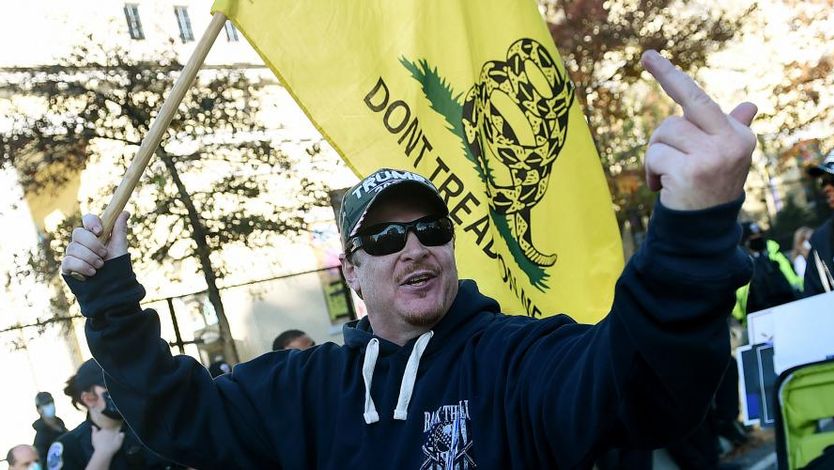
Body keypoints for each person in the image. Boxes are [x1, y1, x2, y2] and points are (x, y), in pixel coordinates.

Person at [60, 51, 758, 468]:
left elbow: (639, 388)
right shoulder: (305, 389)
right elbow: (183, 419)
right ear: (352, 272)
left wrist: (690, 231)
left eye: (429, 228)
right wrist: (111, 299)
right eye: (387, 239)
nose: (415, 247)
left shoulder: (517, 360)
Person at [46, 359, 184, 470]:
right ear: (89, 398)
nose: (123, 390)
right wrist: (102, 455)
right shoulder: (69, 447)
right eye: (111, 385)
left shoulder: (153, 428)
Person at [732, 221, 802, 319]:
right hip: (758, 315)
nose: (758, 240)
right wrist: (741, 318)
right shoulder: (740, 265)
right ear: (745, 242)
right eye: (753, 239)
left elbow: (793, 279)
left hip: (788, 308)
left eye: (759, 237)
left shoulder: (775, 255)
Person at [804, 153, 834, 295]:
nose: (826, 188)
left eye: (832, 180)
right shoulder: (822, 239)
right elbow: (813, 299)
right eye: (823, 182)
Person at [31, 392, 67, 464]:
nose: (50, 405)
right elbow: (43, 463)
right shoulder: (40, 438)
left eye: (51, 402)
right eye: (46, 404)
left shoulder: (61, 426)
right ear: (39, 410)